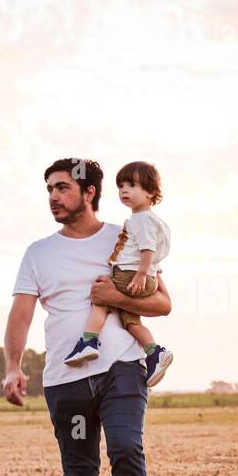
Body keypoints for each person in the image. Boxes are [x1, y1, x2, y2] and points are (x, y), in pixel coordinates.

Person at [2, 158, 172, 476]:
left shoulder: (129, 234)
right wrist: (13, 367)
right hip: (65, 378)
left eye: (61, 188)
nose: (53, 197)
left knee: (126, 450)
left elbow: (162, 304)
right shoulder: (38, 253)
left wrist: (112, 294)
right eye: (49, 190)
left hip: (122, 369)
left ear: (89, 192)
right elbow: (21, 315)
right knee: (79, 475)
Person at [62, 160, 174, 387]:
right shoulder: (153, 221)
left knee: (101, 296)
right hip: (145, 275)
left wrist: (142, 273)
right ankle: (154, 352)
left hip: (132, 274)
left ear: (151, 192)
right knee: (130, 321)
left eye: (131, 185)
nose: (124, 190)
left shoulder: (141, 219)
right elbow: (155, 250)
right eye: (121, 185)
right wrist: (149, 271)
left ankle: (88, 342)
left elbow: (147, 249)